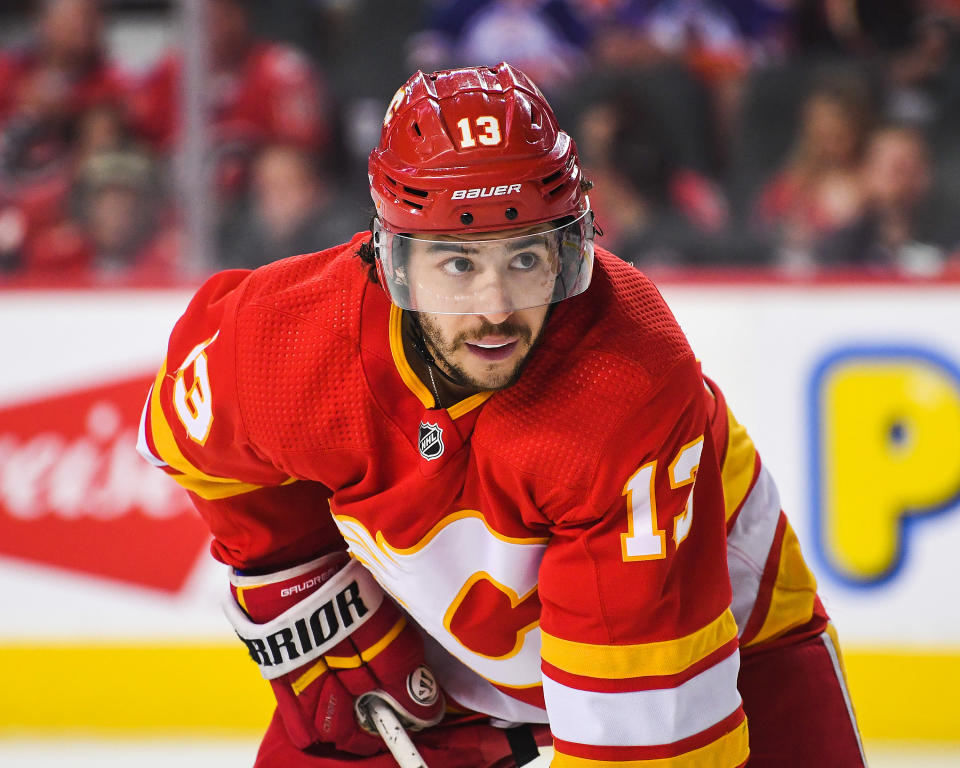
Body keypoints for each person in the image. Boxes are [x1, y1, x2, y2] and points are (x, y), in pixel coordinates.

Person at [137, 63, 865, 767]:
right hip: (430, 668)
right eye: (458, 264)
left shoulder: (624, 386)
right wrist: (296, 581)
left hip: (716, 655)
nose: (494, 309)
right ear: (392, 261)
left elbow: (645, 747)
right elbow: (186, 438)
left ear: (569, 248)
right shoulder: (279, 343)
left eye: (525, 259)